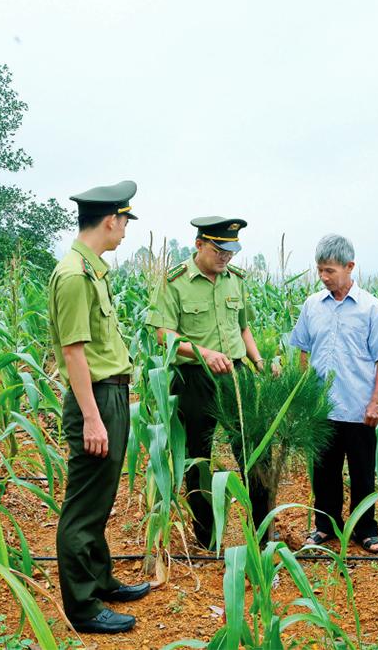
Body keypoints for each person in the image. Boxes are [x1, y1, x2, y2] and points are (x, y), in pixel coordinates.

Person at [49, 180, 150, 634]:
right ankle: (83, 607)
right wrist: (92, 416)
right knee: (84, 506)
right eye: (125, 222)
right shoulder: (74, 275)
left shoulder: (92, 271)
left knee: (101, 498)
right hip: (97, 400)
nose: (126, 231)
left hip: (110, 395)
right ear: (110, 220)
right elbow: (73, 352)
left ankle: (101, 579)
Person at [146, 217, 269, 549]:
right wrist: (203, 353)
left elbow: (244, 328)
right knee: (198, 457)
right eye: (219, 250)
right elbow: (162, 333)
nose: (225, 258)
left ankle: (262, 533)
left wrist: (257, 361)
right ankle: (207, 537)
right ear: (199, 244)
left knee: (255, 451)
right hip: (194, 379)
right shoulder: (174, 281)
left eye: (231, 251)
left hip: (236, 376)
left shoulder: (236, 281)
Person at [290, 234, 378, 553]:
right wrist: (303, 396)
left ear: (349, 267)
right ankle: (325, 526)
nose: (324, 277)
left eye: (330, 271)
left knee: (362, 472)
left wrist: (376, 400)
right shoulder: (313, 306)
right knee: (324, 472)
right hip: (322, 407)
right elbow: (302, 349)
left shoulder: (371, 309)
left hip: (358, 407)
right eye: (320, 271)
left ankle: (366, 529)